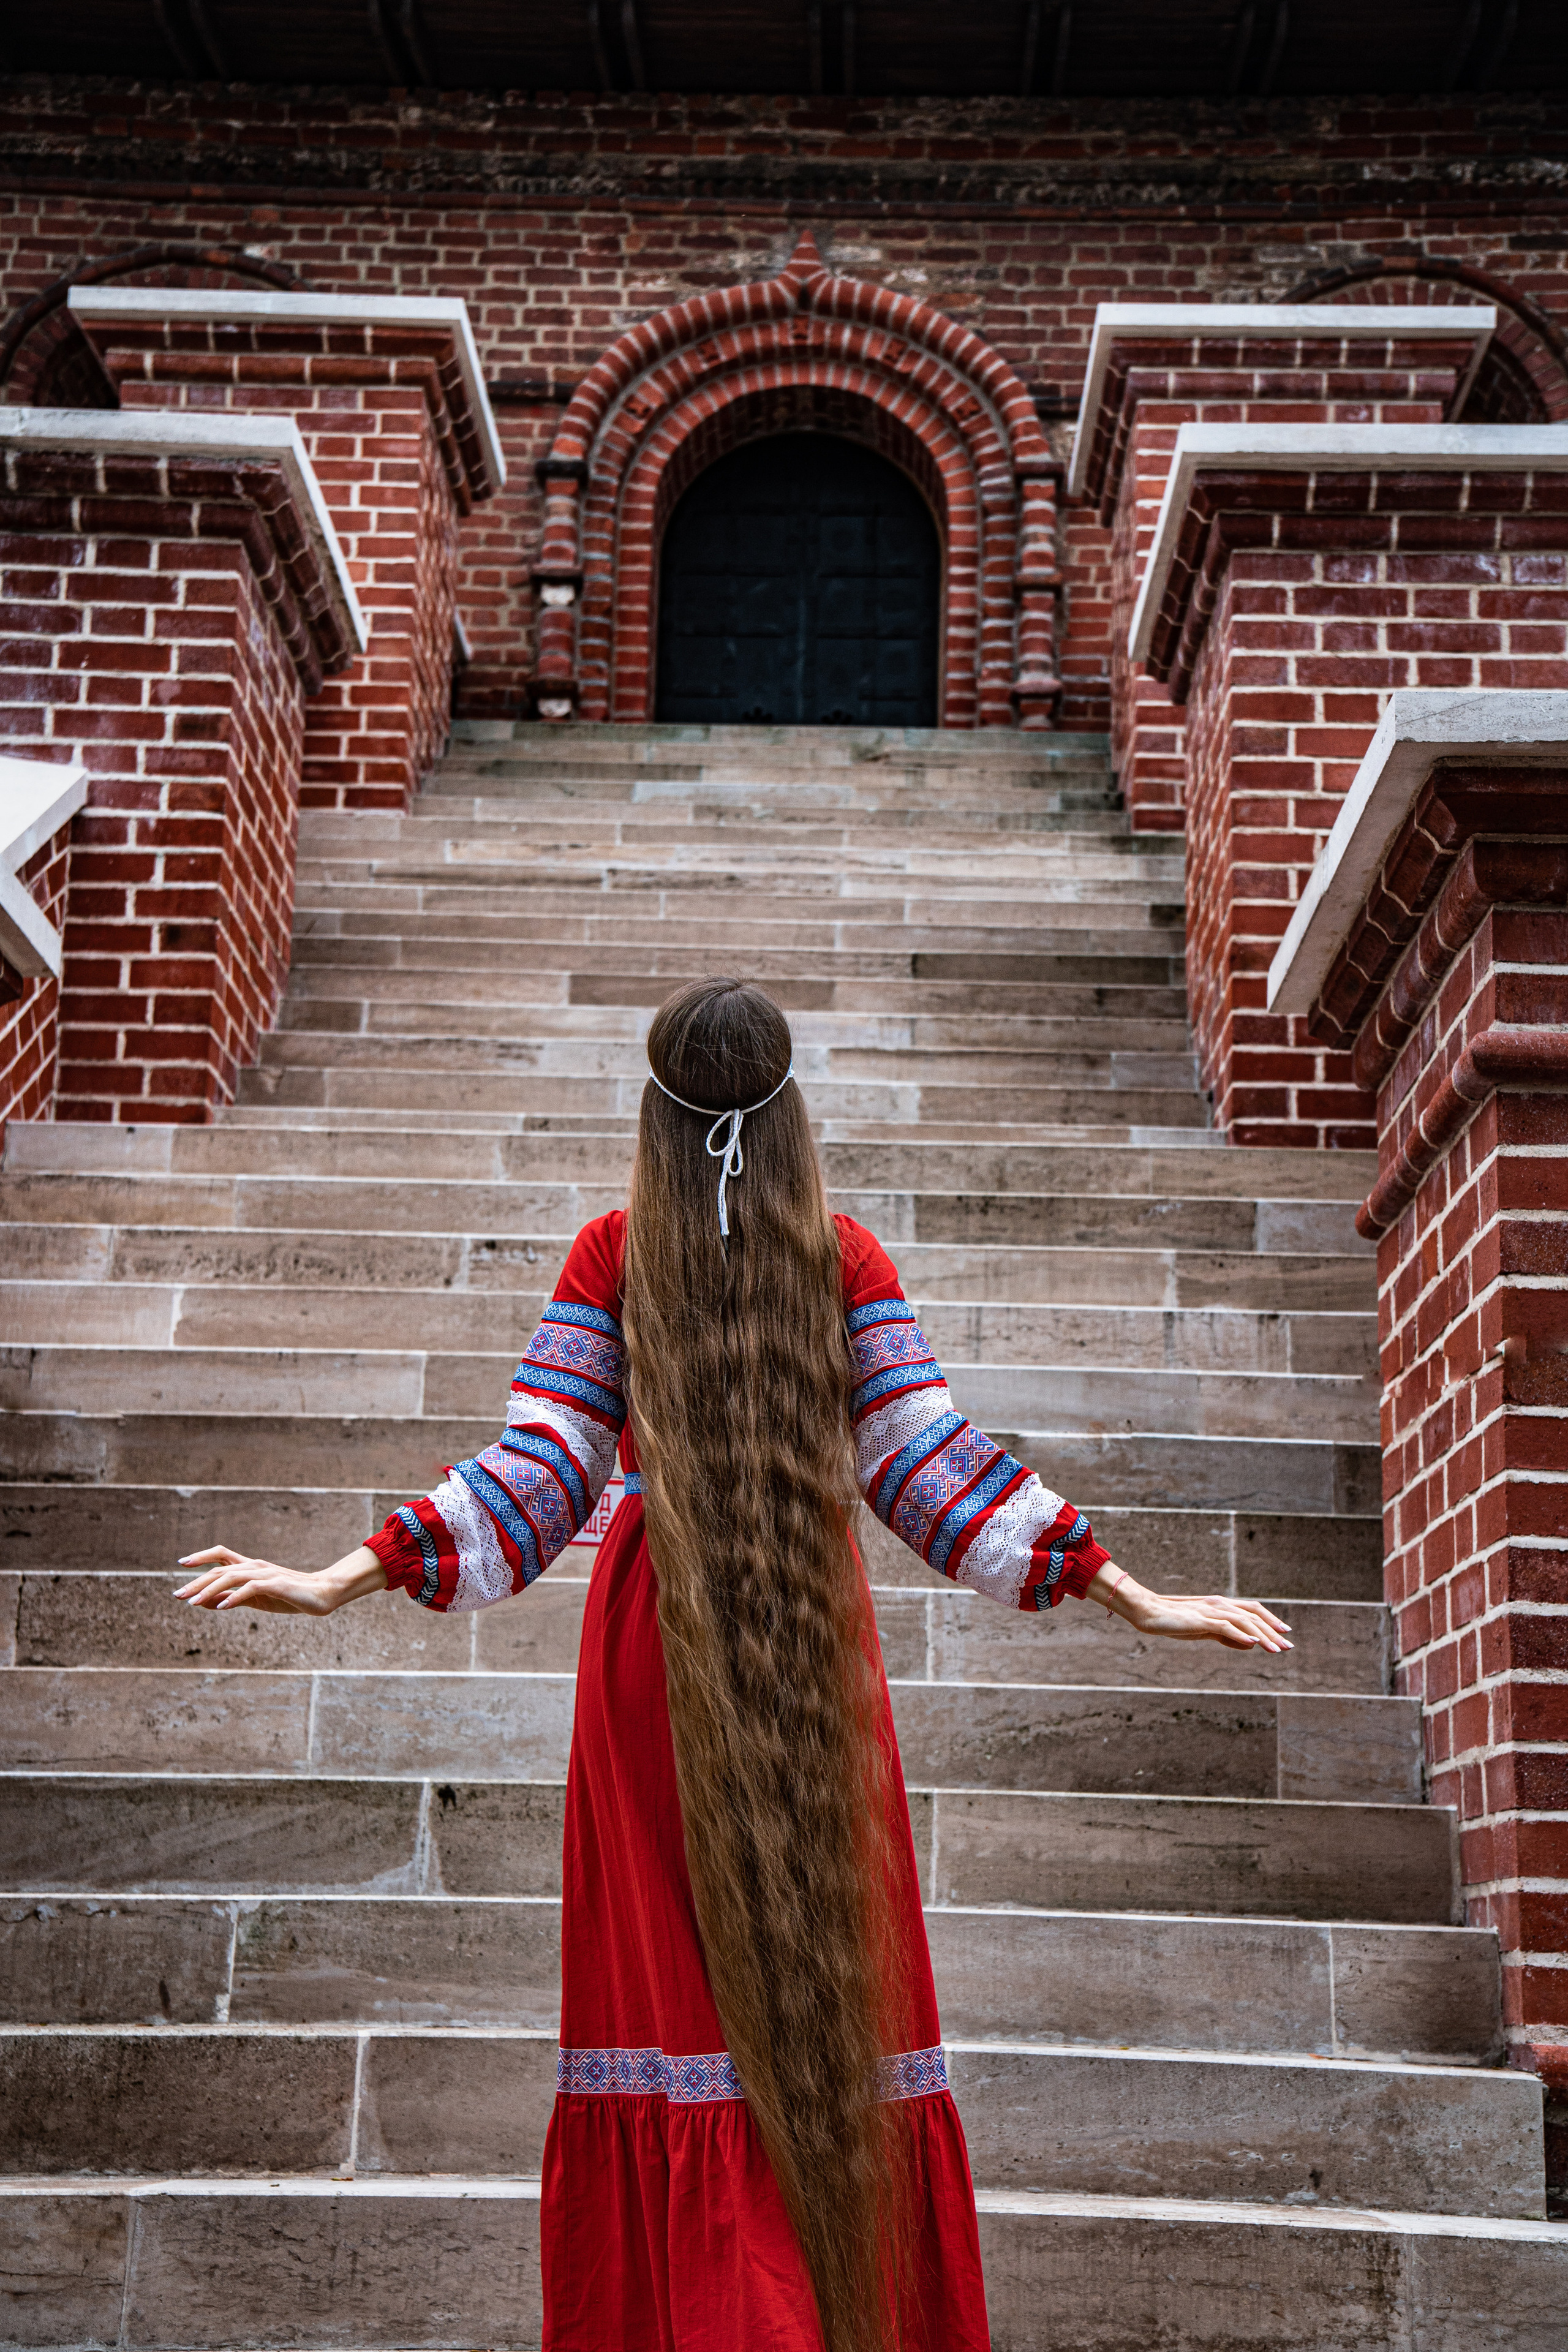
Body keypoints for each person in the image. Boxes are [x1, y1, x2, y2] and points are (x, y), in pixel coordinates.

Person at [178, 978, 1292, 2352]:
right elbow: (928, 1468)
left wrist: (344, 1573)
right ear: (788, 1116)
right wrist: (1132, 1596)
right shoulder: (845, 1259)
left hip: (656, 1646)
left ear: (658, 1113)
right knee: (824, 1988)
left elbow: (540, 1473)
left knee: (671, 2007)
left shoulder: (610, 1252)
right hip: (812, 1632)